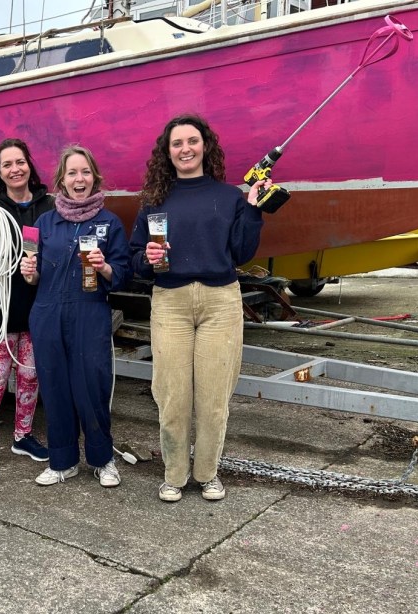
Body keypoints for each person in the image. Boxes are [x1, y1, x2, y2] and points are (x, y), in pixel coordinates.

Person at [129, 114, 267, 502]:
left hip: (220, 301)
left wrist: (252, 208)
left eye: (192, 141)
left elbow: (242, 252)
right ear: (167, 152)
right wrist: (149, 257)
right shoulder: (154, 201)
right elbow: (136, 259)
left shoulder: (228, 197)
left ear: (205, 146)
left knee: (213, 398)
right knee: (172, 395)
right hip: (170, 302)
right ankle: (174, 475)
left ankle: (207, 473)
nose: (185, 149)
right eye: (177, 143)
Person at [20, 145, 130, 488]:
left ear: (94, 177)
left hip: (90, 312)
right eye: (72, 173)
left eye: (85, 172)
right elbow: (32, 273)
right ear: (61, 181)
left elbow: (124, 274)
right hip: (47, 312)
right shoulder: (42, 223)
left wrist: (105, 267)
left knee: (92, 387)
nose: (78, 178)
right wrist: (28, 272)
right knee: (54, 389)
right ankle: (62, 461)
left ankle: (102, 459)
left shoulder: (109, 222)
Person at [0, 138, 54, 476]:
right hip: (0, 310)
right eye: (7, 165)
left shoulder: (49, 206)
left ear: (29, 166)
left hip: (36, 308)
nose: (15, 169)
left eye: (20, 162)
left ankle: (23, 435)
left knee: (30, 377)